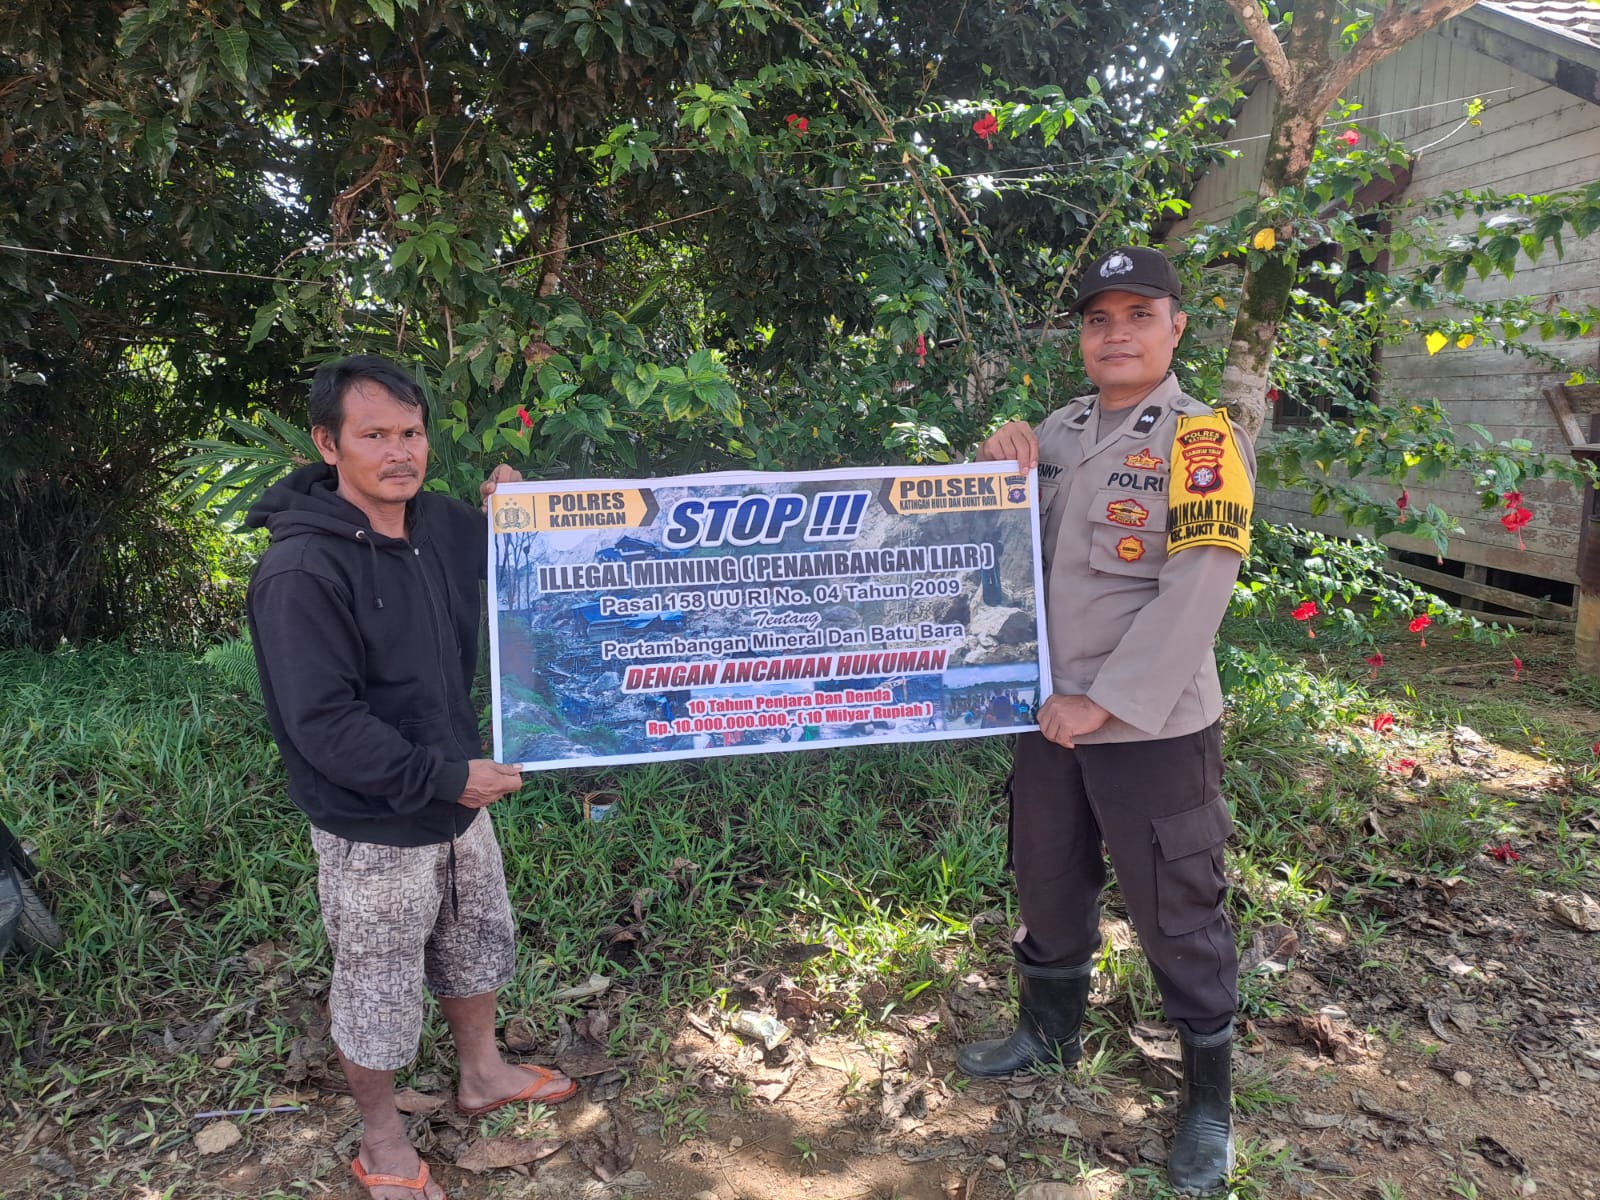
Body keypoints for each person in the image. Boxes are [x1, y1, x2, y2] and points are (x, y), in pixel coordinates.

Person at [246, 355, 575, 1200]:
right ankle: (382, 1137)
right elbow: (322, 725)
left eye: (413, 431)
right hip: (374, 815)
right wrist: (440, 777)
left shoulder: (440, 523)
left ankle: (482, 1074)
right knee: (379, 979)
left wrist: (520, 507)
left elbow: (535, 559)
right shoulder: (300, 572)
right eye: (376, 435)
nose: (401, 451)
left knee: (475, 940)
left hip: (460, 790)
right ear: (329, 444)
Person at [963, 247, 1254, 1196]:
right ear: (1081, 337)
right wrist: (989, 471)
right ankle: (1048, 1028)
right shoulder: (1056, 430)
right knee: (1046, 873)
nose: (1116, 332)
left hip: (1150, 723)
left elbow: (1198, 586)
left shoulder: (1203, 441)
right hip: (1045, 712)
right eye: (1099, 318)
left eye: (1138, 315)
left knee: (1177, 905)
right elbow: (997, 556)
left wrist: (1106, 700)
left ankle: (1206, 1098)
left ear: (1175, 328)